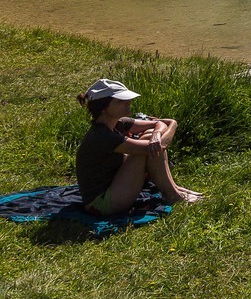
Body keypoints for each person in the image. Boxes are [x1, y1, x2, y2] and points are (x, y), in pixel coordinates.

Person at [75, 78, 201, 214]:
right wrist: (174, 125)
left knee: (149, 137)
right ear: (103, 108)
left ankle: (174, 189)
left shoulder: (118, 123)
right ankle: (173, 195)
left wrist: (157, 133)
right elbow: (156, 147)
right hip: (101, 204)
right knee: (148, 148)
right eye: (120, 101)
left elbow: (159, 124)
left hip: (114, 185)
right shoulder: (103, 136)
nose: (128, 103)